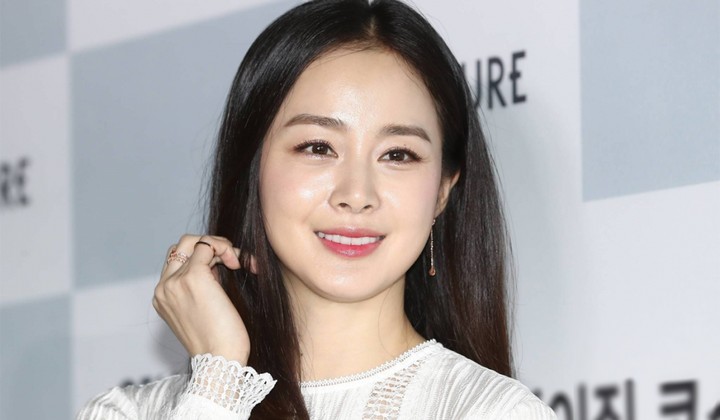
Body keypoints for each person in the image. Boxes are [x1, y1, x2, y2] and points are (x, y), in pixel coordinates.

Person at [78, 0, 556, 418]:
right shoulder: (127, 413)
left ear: (443, 192)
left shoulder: (494, 412)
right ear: (253, 167)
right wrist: (217, 382)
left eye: (398, 154)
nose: (356, 193)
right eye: (318, 147)